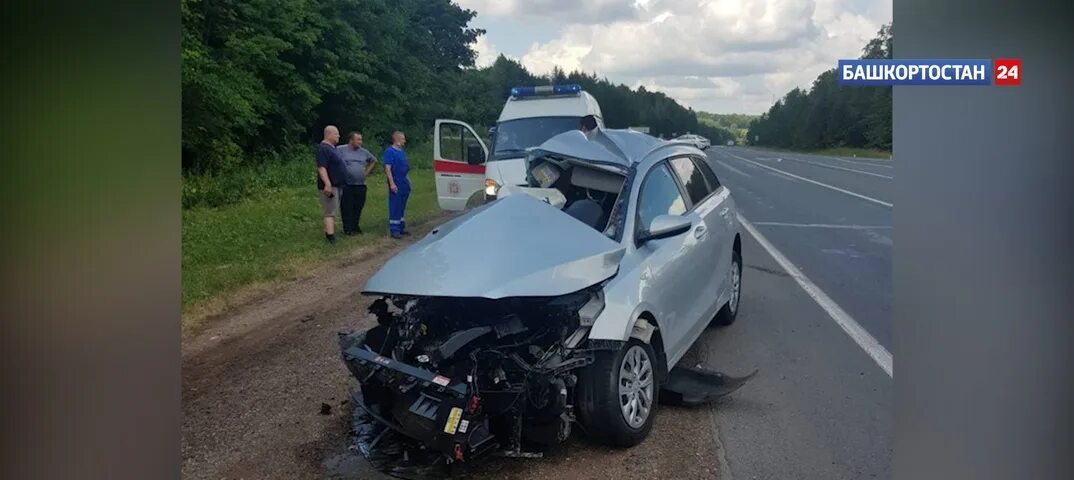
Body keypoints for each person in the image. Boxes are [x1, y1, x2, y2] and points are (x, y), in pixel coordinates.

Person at [337, 132, 377, 235]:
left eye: (361, 139)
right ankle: (348, 228)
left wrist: (366, 172)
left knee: (358, 206)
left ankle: (355, 226)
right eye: (358, 139)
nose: (360, 142)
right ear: (351, 140)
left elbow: (373, 161)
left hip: (361, 184)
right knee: (347, 206)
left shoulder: (364, 152)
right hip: (347, 184)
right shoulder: (340, 149)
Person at [316, 125, 347, 244]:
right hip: (331, 185)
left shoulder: (333, 148)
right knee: (329, 211)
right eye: (336, 134)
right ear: (329, 134)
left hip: (338, 184)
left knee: (333, 210)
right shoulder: (323, 149)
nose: (338, 136)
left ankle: (329, 233)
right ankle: (330, 237)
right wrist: (327, 183)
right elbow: (322, 168)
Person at [382, 131, 411, 239]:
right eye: (403, 139)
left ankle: (401, 227)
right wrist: (392, 184)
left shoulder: (401, 152)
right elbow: (388, 169)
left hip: (403, 181)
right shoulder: (390, 151)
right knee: (395, 205)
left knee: (402, 205)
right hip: (396, 181)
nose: (404, 141)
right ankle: (394, 230)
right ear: (397, 140)